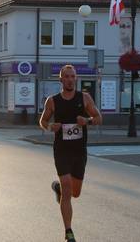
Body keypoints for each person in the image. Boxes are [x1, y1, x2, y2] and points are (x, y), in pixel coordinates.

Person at [39, 65, 102, 242]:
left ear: (76, 79)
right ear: (60, 80)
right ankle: (69, 232)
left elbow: (99, 118)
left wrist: (87, 121)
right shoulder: (52, 101)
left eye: (72, 76)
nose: (69, 79)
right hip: (61, 150)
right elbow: (42, 120)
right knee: (67, 187)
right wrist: (50, 126)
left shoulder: (85, 98)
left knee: (75, 193)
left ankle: (58, 188)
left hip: (79, 151)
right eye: (66, 76)